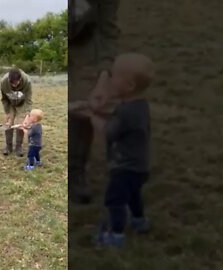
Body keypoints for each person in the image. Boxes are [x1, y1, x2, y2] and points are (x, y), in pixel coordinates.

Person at [84, 53, 154, 247]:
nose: (110, 80)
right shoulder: (139, 106)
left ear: (129, 86)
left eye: (114, 76)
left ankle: (116, 235)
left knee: (115, 200)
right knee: (133, 196)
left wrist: (92, 116)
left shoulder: (126, 112)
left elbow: (109, 131)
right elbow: (120, 122)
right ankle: (139, 222)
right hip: (139, 166)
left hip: (125, 167)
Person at [69, 0, 121, 204]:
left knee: (85, 100)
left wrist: (103, 76)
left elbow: (108, 31)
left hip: (86, 43)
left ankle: (75, 172)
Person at [1, 67, 33, 157]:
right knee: (8, 124)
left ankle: (19, 146)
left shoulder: (27, 82)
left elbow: (28, 100)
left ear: (20, 79)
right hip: (10, 103)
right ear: (9, 80)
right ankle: (8, 146)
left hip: (22, 104)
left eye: (16, 83)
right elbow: (4, 98)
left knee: (21, 124)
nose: (14, 86)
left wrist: (27, 114)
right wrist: (7, 112)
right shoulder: (4, 82)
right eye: (12, 83)